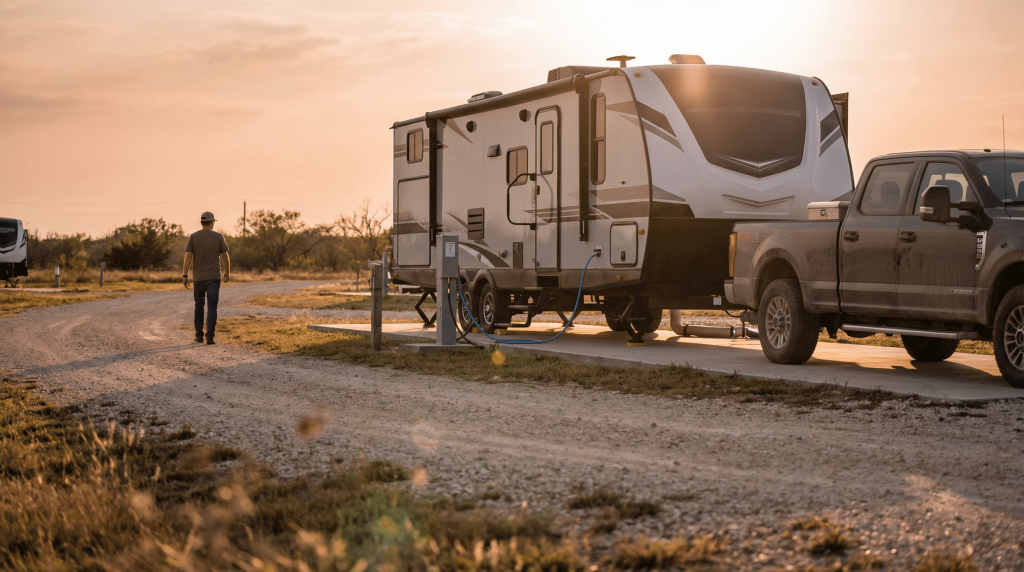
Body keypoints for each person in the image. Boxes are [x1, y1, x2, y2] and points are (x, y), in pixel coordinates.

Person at [183, 212, 230, 344]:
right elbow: (225, 256)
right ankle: (210, 337)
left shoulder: (193, 237)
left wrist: (185, 275)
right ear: (212, 222)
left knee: (199, 306)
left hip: (198, 278)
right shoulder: (218, 236)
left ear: (202, 222)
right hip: (214, 277)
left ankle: (199, 335)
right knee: (212, 307)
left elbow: (188, 256)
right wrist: (227, 272)